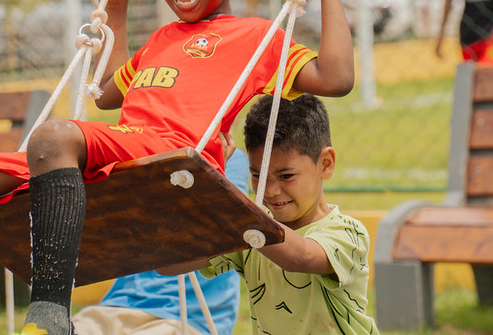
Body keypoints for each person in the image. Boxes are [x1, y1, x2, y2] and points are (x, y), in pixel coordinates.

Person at [0, 0, 355, 335]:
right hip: (121, 159)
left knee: (53, 136)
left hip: (175, 163)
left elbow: (335, 77)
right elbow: (111, 92)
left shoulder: (253, 37)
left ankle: (49, 319)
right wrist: (117, 4)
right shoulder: (161, 40)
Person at [159, 93, 378, 334]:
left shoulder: (347, 234)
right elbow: (167, 263)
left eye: (286, 176)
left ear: (325, 164)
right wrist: (190, 187)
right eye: (258, 176)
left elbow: (299, 257)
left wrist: (218, 190)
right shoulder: (251, 231)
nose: (271, 191)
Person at [71, 148, 249, 335]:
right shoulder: (142, 151)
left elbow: (227, 221)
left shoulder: (227, 157)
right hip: (115, 307)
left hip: (185, 317)